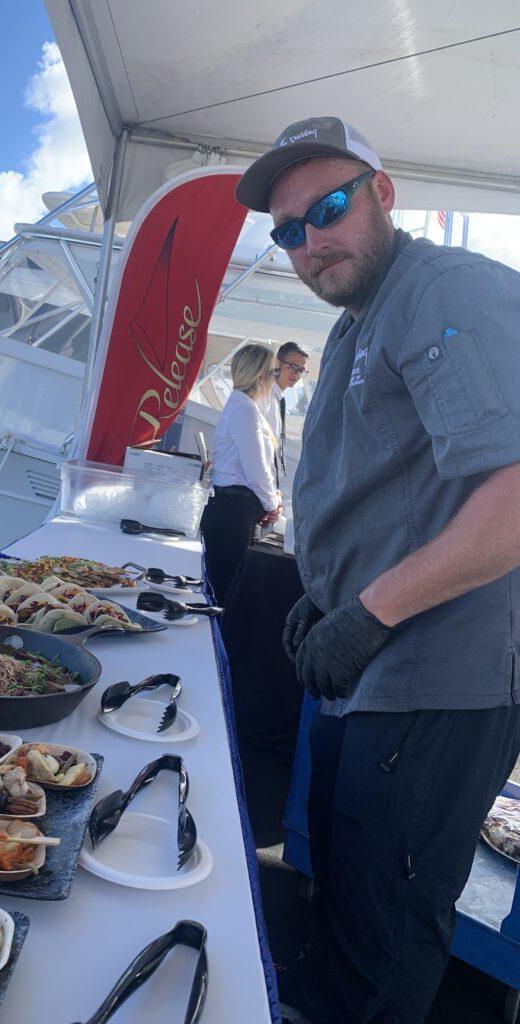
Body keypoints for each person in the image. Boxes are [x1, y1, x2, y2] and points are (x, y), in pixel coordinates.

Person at [235, 116, 520, 1024]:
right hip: (374, 669)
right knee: (347, 880)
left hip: (438, 677)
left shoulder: (448, 291)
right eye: (287, 230)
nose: (309, 241)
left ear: (383, 194)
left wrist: (364, 616)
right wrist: (323, 599)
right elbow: (389, 493)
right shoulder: (364, 321)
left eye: (326, 207)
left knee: (388, 918)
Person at [201, 343, 283, 604]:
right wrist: (273, 503)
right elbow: (257, 467)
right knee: (228, 590)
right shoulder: (245, 410)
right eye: (274, 373)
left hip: (231, 508)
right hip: (234, 511)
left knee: (222, 587)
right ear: (261, 376)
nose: (275, 379)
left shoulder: (241, 407)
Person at [264, 341, 310, 478]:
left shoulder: (278, 399)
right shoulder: (263, 397)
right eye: (292, 368)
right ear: (277, 363)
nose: (296, 375)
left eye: (301, 371)